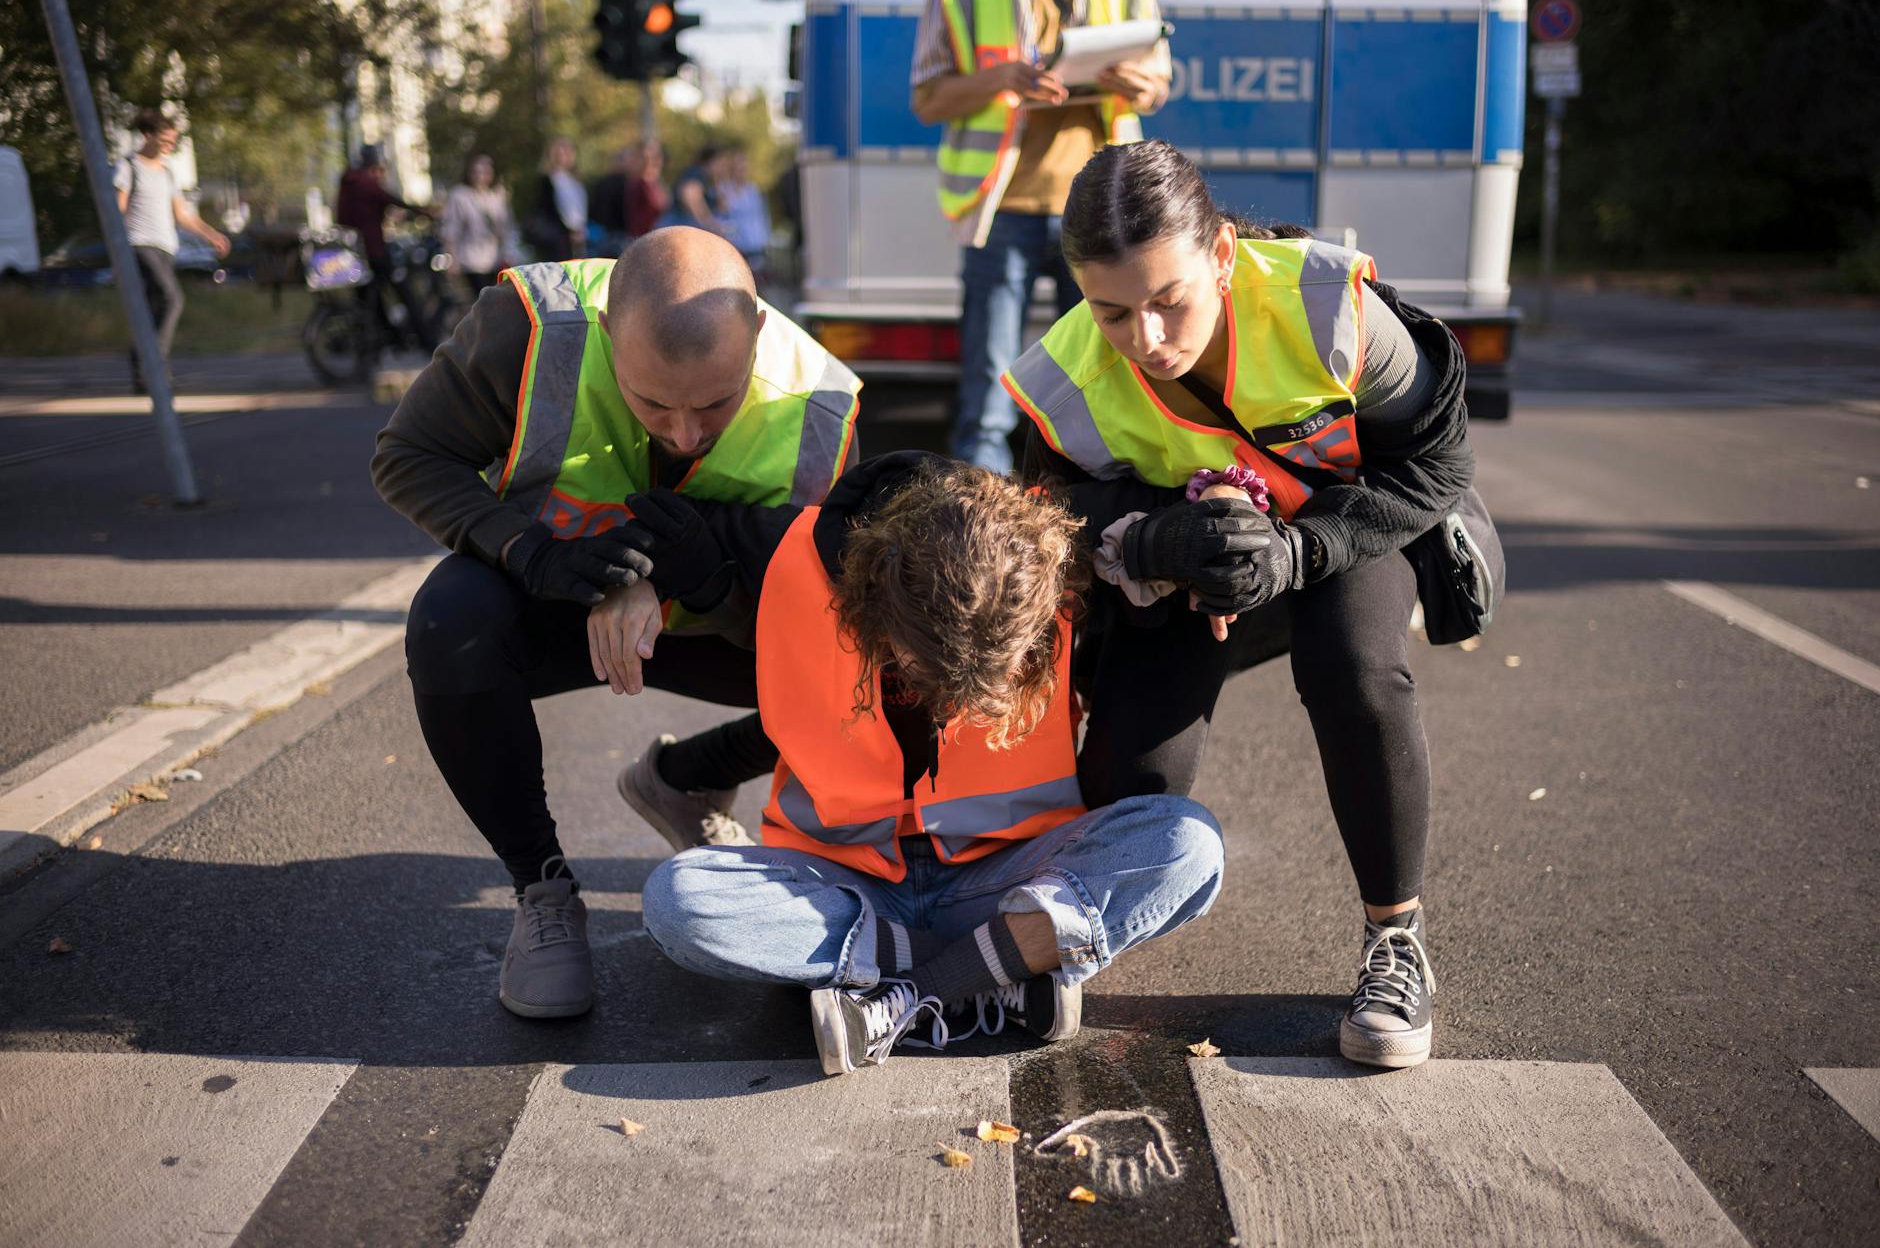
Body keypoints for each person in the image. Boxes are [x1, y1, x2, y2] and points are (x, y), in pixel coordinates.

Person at [1003, 140, 1503, 1070]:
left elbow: (1436, 464)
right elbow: (1046, 520)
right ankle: (1067, 932)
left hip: (1348, 524)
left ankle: (1396, 940)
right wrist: (1159, 542)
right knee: (1133, 752)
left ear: (1222, 256)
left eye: (1169, 301)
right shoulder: (1063, 375)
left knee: (1350, 663)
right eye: (1111, 311)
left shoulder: (1327, 306)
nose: (1146, 339)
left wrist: (1299, 550)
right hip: (1195, 556)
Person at [370, 227, 863, 1020]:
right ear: (605, 331)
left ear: (759, 333)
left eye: (714, 401)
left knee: (866, 646)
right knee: (450, 620)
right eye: (652, 402)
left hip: (713, 623)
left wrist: (691, 577)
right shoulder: (529, 330)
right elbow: (408, 458)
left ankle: (691, 775)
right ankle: (543, 887)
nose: (684, 433)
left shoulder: (824, 408)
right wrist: (528, 552)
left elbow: (807, 621)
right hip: (552, 598)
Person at [636, 452, 1224, 1076]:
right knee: (679, 900)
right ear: (877, 608)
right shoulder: (790, 552)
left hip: (1003, 877)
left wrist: (1229, 529)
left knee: (1188, 845)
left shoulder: (1057, 551)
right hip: (843, 883)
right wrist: (635, 583)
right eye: (924, 671)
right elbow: (650, 520)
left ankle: (910, 991)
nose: (949, 704)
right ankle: (996, 968)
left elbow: (1208, 501)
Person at [911, 0, 1169, 474]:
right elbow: (927, 99)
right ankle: (977, 518)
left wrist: (1138, 85)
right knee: (988, 400)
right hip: (1004, 208)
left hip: (1101, 213)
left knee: (1106, 383)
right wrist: (1001, 79)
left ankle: (1094, 513)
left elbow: (1156, 87)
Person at [114, 109, 229, 393]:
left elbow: (182, 215)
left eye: (172, 141)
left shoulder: (166, 172)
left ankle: (141, 370)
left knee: (154, 308)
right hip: (139, 244)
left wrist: (211, 235)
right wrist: (117, 247)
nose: (169, 146)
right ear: (147, 136)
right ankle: (156, 365)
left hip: (165, 246)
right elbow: (117, 208)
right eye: (165, 140)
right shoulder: (128, 166)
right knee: (172, 298)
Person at [335, 144, 436, 351]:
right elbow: (391, 199)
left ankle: (389, 337)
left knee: (369, 298)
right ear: (373, 166)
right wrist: (425, 213)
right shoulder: (366, 183)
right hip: (373, 250)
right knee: (404, 292)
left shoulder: (349, 182)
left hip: (354, 253)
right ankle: (427, 341)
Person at [439, 152, 520, 297]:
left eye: (486, 171)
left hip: (495, 259)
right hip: (471, 260)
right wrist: (452, 258)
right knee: (482, 300)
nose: (481, 176)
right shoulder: (460, 195)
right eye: (477, 171)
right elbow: (451, 229)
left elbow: (507, 226)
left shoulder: (497, 195)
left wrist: (509, 251)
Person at [526, 137, 587, 261]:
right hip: (558, 238)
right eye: (559, 153)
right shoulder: (548, 179)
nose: (563, 157)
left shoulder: (575, 180)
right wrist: (569, 230)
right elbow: (548, 208)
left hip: (575, 237)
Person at [717, 149, 771, 277]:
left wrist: (766, 239)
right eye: (738, 168)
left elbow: (762, 216)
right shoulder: (723, 189)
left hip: (756, 246)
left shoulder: (753, 190)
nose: (742, 172)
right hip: (736, 246)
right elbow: (720, 216)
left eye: (745, 168)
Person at [661, 145, 729, 235]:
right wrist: (708, 223)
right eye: (722, 163)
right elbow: (689, 194)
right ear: (712, 161)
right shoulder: (697, 173)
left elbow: (723, 207)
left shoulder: (707, 180)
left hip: (678, 229)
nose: (723, 168)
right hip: (677, 228)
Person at [624, 140, 668, 241]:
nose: (652, 161)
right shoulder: (637, 184)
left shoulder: (657, 183)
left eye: (656, 157)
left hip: (658, 237)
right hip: (643, 240)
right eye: (647, 158)